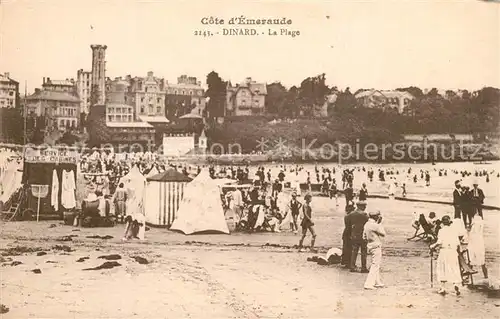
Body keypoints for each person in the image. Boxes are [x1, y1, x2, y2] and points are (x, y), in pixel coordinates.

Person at [430, 215, 462, 296]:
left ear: (443, 223)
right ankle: (455, 285)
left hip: (444, 251)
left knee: (442, 269)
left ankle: (443, 288)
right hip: (453, 252)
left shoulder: (441, 231)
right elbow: (458, 243)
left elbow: (439, 242)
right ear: (449, 222)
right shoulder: (454, 230)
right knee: (453, 268)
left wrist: (432, 246)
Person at [363, 211, 386, 290]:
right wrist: (379, 223)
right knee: (375, 265)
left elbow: (364, 237)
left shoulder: (366, 224)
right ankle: (368, 284)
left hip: (370, 245)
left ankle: (377, 282)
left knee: (376, 264)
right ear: (376, 217)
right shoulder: (375, 225)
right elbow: (383, 233)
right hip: (376, 246)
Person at [347, 201, 369, 273]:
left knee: (354, 251)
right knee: (363, 251)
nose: (365, 207)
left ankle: (352, 266)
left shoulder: (351, 214)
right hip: (362, 235)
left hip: (354, 234)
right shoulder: (364, 214)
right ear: (361, 206)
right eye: (364, 206)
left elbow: (348, 224)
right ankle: (363, 267)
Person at [467, 211, 488, 278]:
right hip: (480, 242)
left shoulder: (474, 226)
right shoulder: (480, 225)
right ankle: (485, 275)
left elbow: (469, 236)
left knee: (471, 258)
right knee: (481, 260)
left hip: (474, 242)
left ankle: (468, 275)